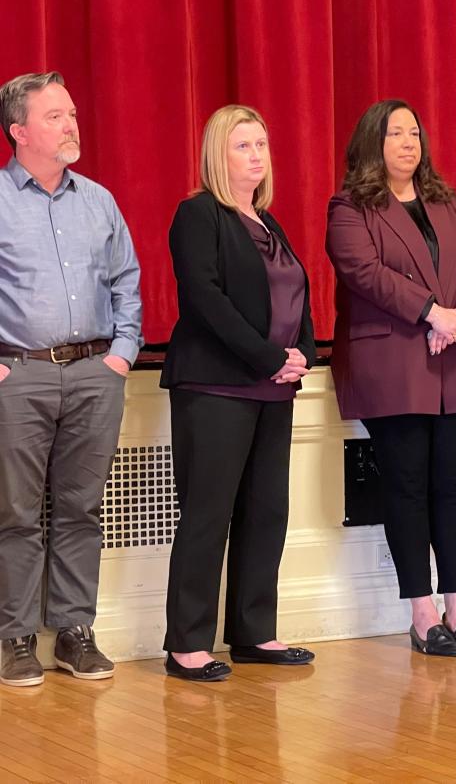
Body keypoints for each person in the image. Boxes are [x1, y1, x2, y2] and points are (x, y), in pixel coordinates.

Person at [327, 100, 456, 657]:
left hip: (455, 357)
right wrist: (432, 312)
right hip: (395, 363)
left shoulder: (446, 200)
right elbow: (363, 272)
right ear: (373, 141)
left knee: (453, 485)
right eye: (396, 133)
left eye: (415, 132)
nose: (408, 142)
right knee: (406, 486)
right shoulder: (350, 206)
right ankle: (422, 612)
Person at [160, 105, 316, 681]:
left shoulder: (270, 223)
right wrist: (268, 357)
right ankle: (187, 644)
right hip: (216, 386)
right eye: (243, 145)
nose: (257, 155)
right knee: (208, 512)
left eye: (262, 144)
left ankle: (253, 632)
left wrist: (303, 353)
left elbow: (295, 296)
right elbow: (206, 300)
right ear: (217, 156)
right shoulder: (199, 215)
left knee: (266, 510)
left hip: (274, 388)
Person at [0, 72, 141, 688]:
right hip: (20, 375)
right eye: (55, 116)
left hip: (94, 372)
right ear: (20, 131)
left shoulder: (99, 200)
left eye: (72, 114)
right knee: (16, 513)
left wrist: (123, 355)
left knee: (82, 509)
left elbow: (127, 281)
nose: (70, 125)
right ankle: (16, 637)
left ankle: (74, 632)